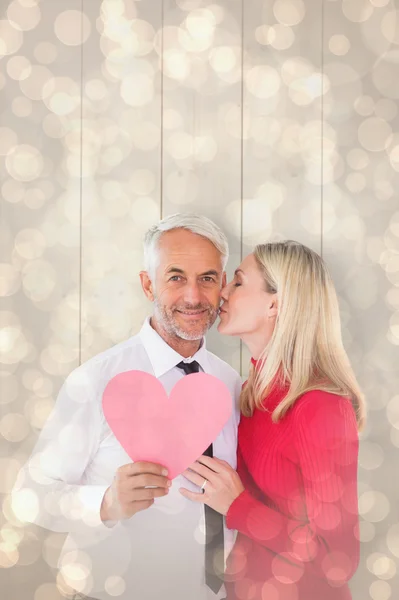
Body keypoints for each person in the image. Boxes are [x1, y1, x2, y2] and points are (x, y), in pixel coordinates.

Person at [11, 214, 242, 600]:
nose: (193, 296)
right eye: (175, 277)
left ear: (222, 284)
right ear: (147, 283)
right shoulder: (96, 380)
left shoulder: (232, 385)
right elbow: (27, 495)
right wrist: (103, 502)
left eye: (207, 278)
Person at [180, 241, 365, 600]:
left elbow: (337, 560)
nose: (222, 292)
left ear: (274, 304)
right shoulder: (248, 394)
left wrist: (238, 507)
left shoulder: (320, 405)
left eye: (237, 281)